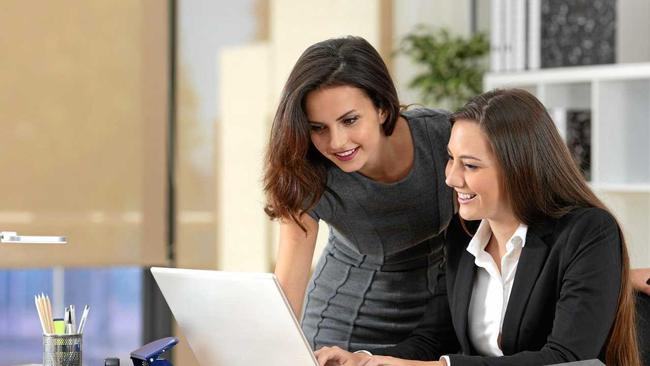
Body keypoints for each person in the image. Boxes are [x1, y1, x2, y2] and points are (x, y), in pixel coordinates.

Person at [314, 88, 641, 365]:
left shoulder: (588, 232)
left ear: (520, 169)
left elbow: (566, 358)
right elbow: (432, 338)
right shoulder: (463, 234)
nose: (451, 177)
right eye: (450, 158)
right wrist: (366, 359)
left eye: (469, 165)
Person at [263, 36, 453, 351]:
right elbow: (286, 291)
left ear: (381, 107)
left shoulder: (443, 138)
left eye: (349, 120)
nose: (337, 142)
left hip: (435, 328)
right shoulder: (308, 170)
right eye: (318, 127)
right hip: (341, 331)